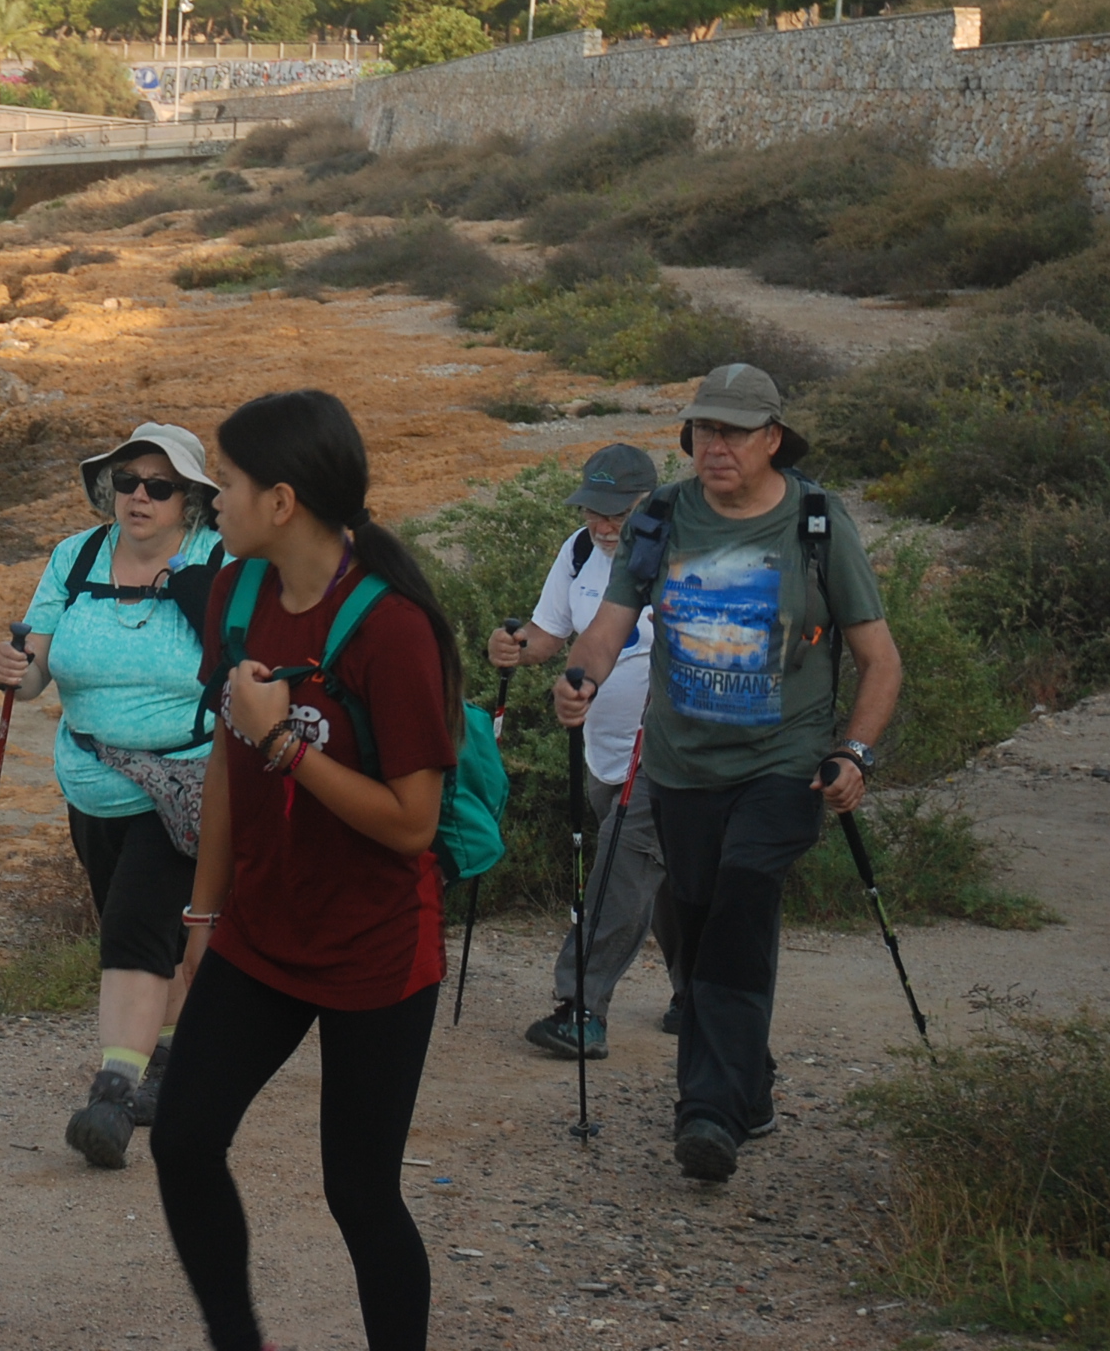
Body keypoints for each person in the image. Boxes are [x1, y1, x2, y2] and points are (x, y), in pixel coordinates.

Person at [148, 390, 459, 1351]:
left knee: (359, 1193)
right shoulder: (234, 595)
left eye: (226, 483)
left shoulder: (391, 628)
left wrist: (285, 744)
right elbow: (226, 762)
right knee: (182, 1140)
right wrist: (202, 920)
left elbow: (412, 825)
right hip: (261, 931)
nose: (211, 501)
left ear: (281, 501)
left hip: (376, 950)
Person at [557, 363, 900, 1184]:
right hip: (681, 769)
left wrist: (854, 752)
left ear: (772, 438)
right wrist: (579, 679)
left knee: (744, 894)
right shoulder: (662, 519)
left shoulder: (817, 523)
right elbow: (607, 627)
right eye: (706, 430)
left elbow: (879, 659)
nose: (717, 446)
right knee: (706, 924)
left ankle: (708, 1111)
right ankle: (753, 1086)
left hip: (784, 763)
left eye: (736, 432)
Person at [0, 421, 228, 1168]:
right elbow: (35, 673)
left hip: (188, 779)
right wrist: (12, 671)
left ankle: (112, 1095)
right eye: (127, 482)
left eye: (159, 486)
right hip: (91, 779)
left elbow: (248, 658)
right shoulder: (77, 556)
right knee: (152, 938)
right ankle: (169, 1063)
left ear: (190, 500)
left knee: (133, 926)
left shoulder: (220, 559)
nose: (139, 497)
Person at [485, 441, 685, 1057]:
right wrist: (513, 643)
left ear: (647, 502)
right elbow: (549, 635)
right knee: (658, 875)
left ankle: (581, 1008)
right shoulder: (578, 552)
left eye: (616, 513)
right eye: (594, 510)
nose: (602, 525)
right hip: (600, 750)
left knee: (622, 865)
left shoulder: (679, 550)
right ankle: (697, 993)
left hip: (664, 749)